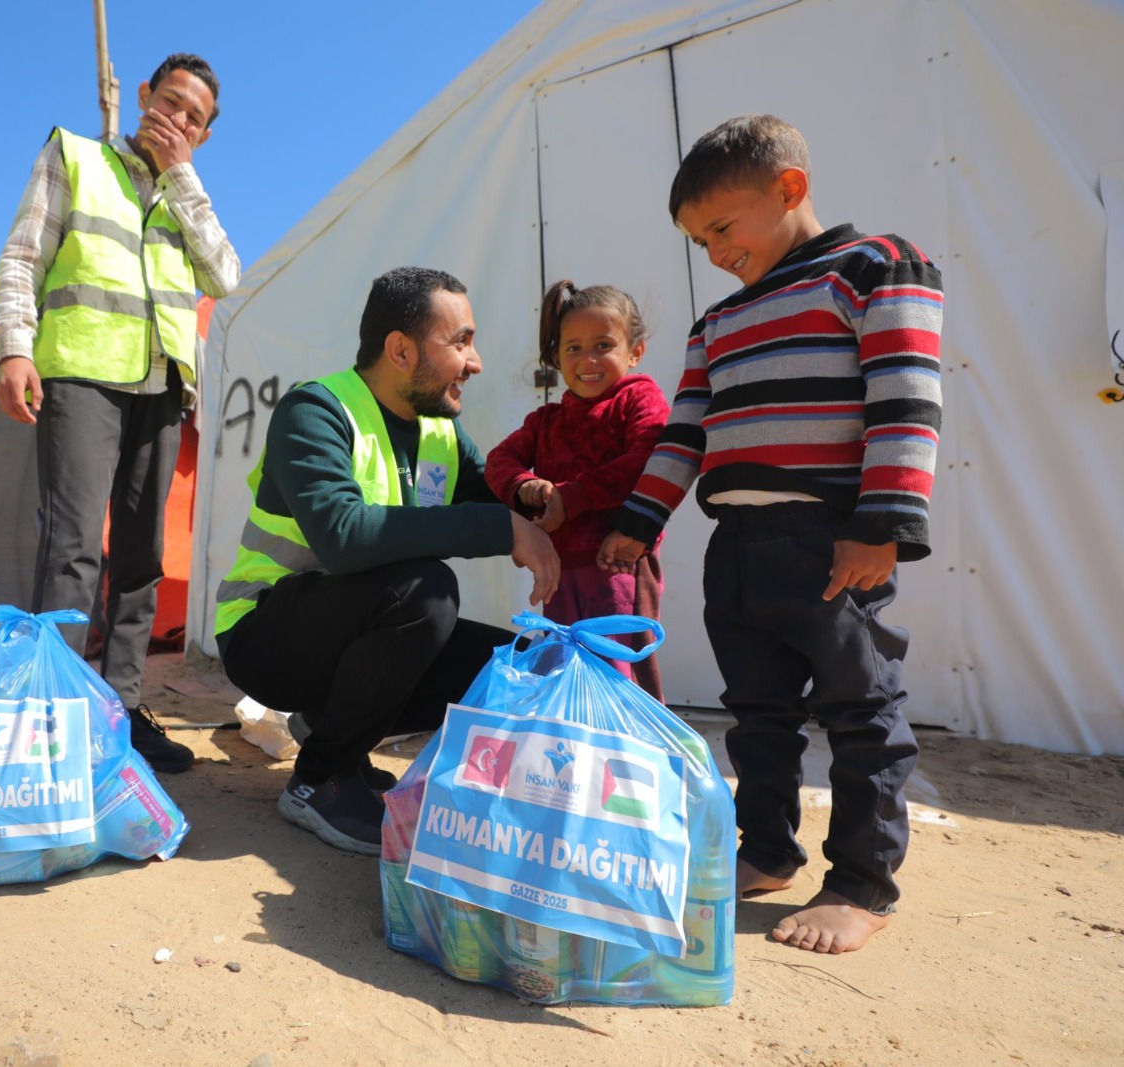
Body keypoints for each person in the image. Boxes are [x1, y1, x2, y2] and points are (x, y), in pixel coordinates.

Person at [598, 114, 944, 953]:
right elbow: (684, 432)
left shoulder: (874, 268)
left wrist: (884, 526)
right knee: (755, 713)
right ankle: (767, 850)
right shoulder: (715, 321)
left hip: (831, 542)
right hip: (738, 548)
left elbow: (906, 398)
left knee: (862, 710)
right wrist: (638, 522)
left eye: (723, 226)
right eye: (698, 239)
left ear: (790, 188)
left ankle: (863, 882)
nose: (714, 251)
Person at [215, 267, 561, 855]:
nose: (474, 362)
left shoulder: (441, 431)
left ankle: (332, 733)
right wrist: (501, 526)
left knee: (518, 664)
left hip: (346, 630)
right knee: (427, 595)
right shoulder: (315, 412)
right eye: (460, 342)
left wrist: (537, 497)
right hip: (264, 634)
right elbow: (343, 537)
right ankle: (319, 779)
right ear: (400, 349)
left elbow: (498, 505)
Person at [0, 53, 239, 775]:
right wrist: (13, 348)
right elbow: (21, 257)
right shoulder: (74, 154)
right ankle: (55, 718)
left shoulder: (186, 194)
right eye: (171, 102)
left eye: (194, 118)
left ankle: (120, 711)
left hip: (162, 386)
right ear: (142, 97)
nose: (178, 120)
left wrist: (183, 175)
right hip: (80, 373)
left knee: (140, 556)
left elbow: (226, 275)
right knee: (73, 545)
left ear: (203, 135)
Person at [485, 281, 670, 701]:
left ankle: (630, 761)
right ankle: (572, 759)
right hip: (559, 571)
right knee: (564, 673)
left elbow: (648, 459)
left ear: (634, 351)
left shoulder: (639, 399)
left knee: (619, 674)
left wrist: (572, 497)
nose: (587, 360)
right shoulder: (546, 419)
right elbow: (498, 463)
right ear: (555, 357)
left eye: (603, 344)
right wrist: (525, 485)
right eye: (573, 348)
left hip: (620, 568)